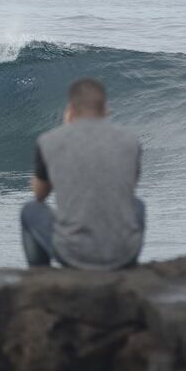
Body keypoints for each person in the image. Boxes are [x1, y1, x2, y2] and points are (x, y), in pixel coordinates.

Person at [21, 78, 145, 270]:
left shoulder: (49, 141)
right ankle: (129, 265)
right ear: (105, 109)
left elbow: (39, 195)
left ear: (70, 109)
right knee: (137, 204)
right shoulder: (130, 141)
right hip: (123, 255)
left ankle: (39, 274)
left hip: (73, 255)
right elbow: (129, 190)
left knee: (30, 210)